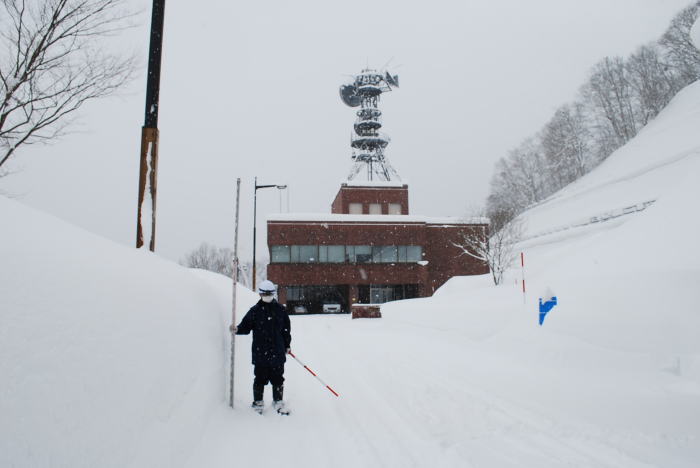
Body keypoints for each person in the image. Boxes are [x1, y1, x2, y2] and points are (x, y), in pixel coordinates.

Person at [233, 280, 291, 414]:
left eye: (269, 294)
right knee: (260, 378)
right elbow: (245, 327)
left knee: (278, 378)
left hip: (277, 351)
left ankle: (278, 401)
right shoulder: (255, 311)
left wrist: (287, 345)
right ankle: (258, 403)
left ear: (273, 294)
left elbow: (286, 331)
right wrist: (237, 329)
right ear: (260, 294)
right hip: (261, 352)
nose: (267, 296)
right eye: (265, 294)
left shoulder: (281, 310)